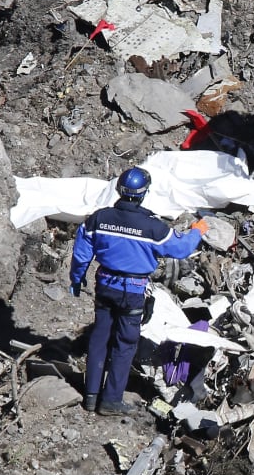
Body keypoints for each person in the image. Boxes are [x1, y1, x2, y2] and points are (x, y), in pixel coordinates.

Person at [70, 167, 209, 416]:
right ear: (143, 193)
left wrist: (77, 278)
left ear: (119, 190)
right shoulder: (153, 227)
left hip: (105, 286)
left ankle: (90, 396)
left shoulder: (99, 218)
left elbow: (82, 253)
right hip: (132, 290)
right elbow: (181, 248)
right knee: (125, 343)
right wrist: (198, 230)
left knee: (100, 338)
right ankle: (111, 401)